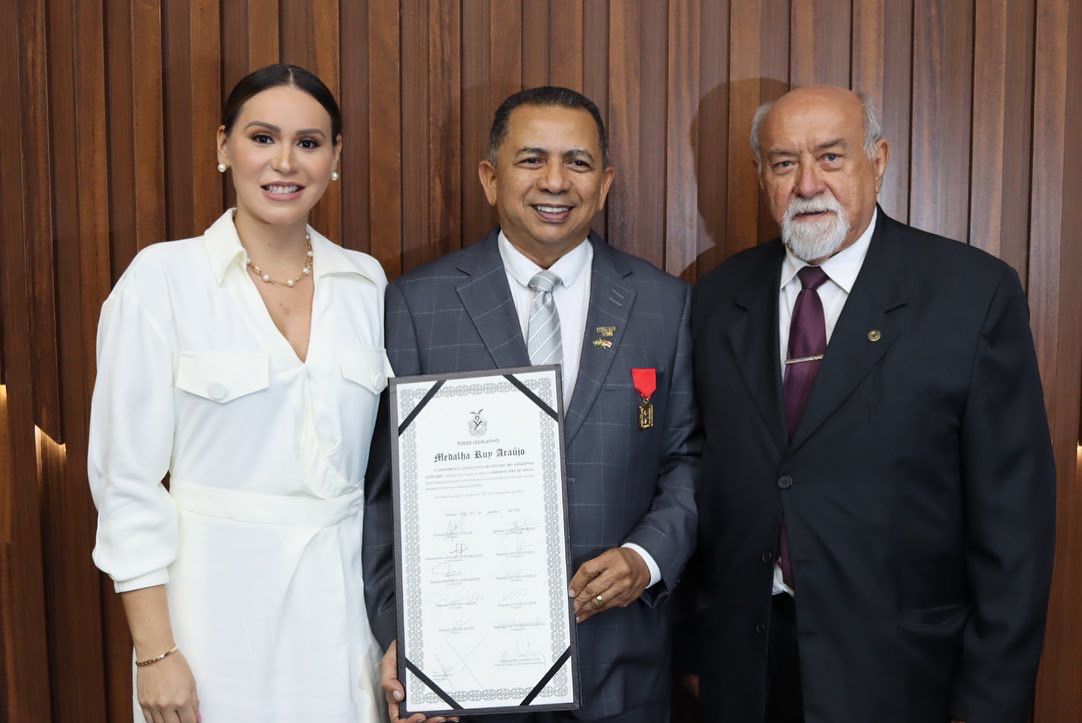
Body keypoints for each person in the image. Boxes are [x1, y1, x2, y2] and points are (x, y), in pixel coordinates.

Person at [690, 85, 1056, 722]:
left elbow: (1014, 523)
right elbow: (700, 475)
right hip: (746, 673)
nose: (807, 184)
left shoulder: (972, 294)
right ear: (761, 175)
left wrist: (991, 702)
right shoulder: (718, 297)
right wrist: (693, 650)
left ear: (878, 160)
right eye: (783, 163)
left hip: (903, 676)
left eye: (830, 158)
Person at [362, 86, 699, 723]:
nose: (555, 181)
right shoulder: (416, 305)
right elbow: (383, 497)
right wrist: (402, 639)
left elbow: (688, 457)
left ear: (604, 184)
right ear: (490, 178)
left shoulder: (664, 303)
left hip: (620, 665)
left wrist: (646, 558)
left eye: (577, 162)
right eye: (531, 160)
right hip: (463, 678)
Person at [88, 64, 390, 723]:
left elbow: (385, 479)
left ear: (335, 158)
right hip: (209, 621)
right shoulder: (161, 280)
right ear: (223, 146)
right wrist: (154, 650)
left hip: (342, 618)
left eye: (309, 143)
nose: (285, 161)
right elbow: (126, 482)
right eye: (262, 137)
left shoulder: (366, 284)